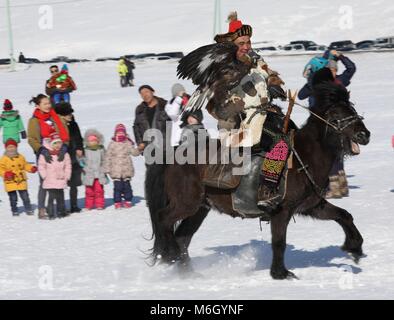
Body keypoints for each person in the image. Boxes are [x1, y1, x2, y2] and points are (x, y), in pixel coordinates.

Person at [299, 50, 357, 198]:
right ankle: (340, 187)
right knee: (336, 155)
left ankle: (336, 188)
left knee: (330, 155)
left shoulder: (335, 82)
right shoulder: (324, 83)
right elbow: (301, 95)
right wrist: (329, 55)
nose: (332, 71)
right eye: (330, 69)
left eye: (333, 69)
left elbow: (351, 68)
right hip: (327, 123)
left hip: (329, 124)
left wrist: (340, 56)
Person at [27, 94, 69, 219]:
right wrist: (41, 150)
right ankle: (41, 208)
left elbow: (64, 131)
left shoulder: (55, 117)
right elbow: (32, 139)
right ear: (38, 105)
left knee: (59, 179)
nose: (48, 105)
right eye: (45, 103)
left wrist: (65, 146)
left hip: (58, 151)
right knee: (45, 181)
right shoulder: (34, 121)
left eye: (49, 103)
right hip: (44, 154)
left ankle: (59, 207)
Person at [54, 102, 83, 213]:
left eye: (70, 113)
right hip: (62, 159)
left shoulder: (74, 124)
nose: (70, 116)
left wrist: (80, 148)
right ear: (61, 115)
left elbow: (79, 138)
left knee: (74, 184)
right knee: (60, 184)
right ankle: (61, 206)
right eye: (67, 114)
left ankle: (74, 205)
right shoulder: (57, 126)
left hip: (74, 158)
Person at [104, 124, 140, 209]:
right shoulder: (112, 144)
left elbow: (134, 152)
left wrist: (138, 149)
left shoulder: (127, 143)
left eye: (122, 133)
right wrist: (107, 168)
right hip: (115, 170)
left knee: (127, 187)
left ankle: (128, 200)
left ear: (125, 133)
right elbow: (108, 156)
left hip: (126, 169)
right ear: (115, 134)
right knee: (118, 187)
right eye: (118, 133)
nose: (120, 135)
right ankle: (117, 201)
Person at [38, 132, 72, 219]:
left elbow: (68, 165)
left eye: (59, 143)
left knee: (60, 196)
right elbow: (41, 165)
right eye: (55, 143)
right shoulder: (45, 154)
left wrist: (67, 175)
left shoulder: (64, 154)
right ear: (51, 144)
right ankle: (51, 213)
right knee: (51, 197)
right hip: (50, 179)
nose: (57, 145)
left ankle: (61, 212)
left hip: (61, 178)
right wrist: (44, 175)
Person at [0, 139, 37, 216]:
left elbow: (25, 165)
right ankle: (14, 210)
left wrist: (31, 168)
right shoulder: (3, 159)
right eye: (9, 147)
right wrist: (6, 174)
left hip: (21, 180)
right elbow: (1, 169)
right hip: (10, 181)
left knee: (25, 196)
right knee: (13, 198)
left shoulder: (20, 157)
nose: (11, 149)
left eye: (13, 147)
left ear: (16, 147)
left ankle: (28, 209)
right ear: (6, 148)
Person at [133, 85, 169, 153]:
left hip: (166, 148)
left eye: (147, 92)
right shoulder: (140, 109)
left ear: (153, 92)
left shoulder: (165, 106)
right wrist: (140, 142)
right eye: (142, 94)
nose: (145, 95)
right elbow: (136, 127)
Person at [79, 129, 107, 210]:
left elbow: (105, 159)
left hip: (99, 173)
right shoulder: (85, 150)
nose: (93, 142)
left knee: (99, 191)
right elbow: (82, 160)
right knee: (89, 191)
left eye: (95, 140)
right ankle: (88, 205)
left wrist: (104, 168)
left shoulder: (101, 149)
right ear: (87, 141)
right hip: (89, 174)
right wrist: (82, 164)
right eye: (91, 141)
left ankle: (99, 204)